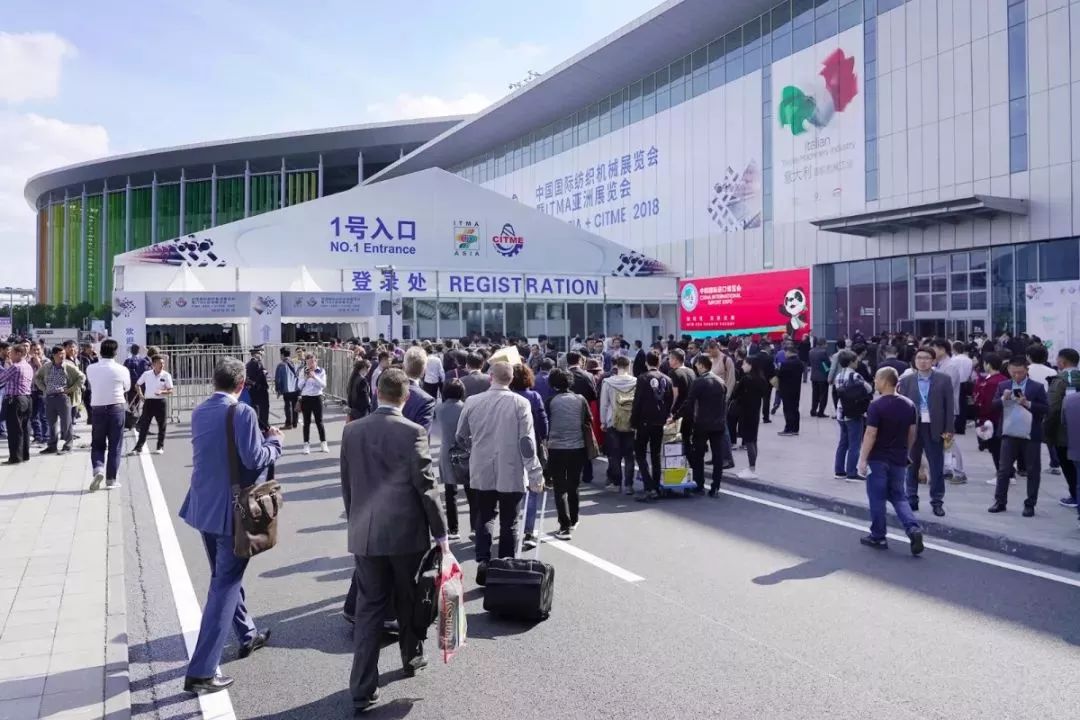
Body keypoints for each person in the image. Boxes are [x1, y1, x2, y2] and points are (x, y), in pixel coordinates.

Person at [340, 368, 448, 712]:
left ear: (377, 392)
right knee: (408, 598)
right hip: (406, 533)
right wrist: (441, 533)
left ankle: (362, 688)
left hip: (365, 531)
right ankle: (411, 657)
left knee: (369, 608)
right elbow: (427, 488)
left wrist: (355, 520)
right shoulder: (413, 432)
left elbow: (347, 484)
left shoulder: (352, 431)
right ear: (406, 397)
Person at [180, 358, 281, 695]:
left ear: (214, 381)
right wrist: (275, 443)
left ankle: (247, 634)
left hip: (203, 505)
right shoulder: (242, 412)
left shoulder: (199, 411)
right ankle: (202, 671)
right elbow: (254, 458)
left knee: (223, 575)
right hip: (232, 510)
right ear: (241, 384)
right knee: (225, 584)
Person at [455, 361, 544, 581]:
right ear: (511, 379)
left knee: (485, 516)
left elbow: (460, 436)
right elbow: (526, 442)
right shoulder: (520, 403)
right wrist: (535, 474)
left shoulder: (472, 401)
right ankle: (504, 565)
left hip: (482, 467)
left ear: (490, 377)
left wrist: (474, 446)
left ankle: (483, 561)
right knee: (510, 521)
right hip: (512, 469)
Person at [856, 367, 924, 554]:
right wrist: (906, 451)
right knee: (899, 495)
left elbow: (871, 433)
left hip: (878, 458)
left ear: (885, 381)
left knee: (877, 497)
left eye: (877, 380)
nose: (875, 383)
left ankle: (878, 536)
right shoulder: (909, 404)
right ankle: (913, 528)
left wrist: (862, 459)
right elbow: (912, 433)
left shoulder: (876, 406)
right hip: (898, 458)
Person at [988, 356, 1050, 516]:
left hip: (1030, 434)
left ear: (1026, 370)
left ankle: (1030, 504)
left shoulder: (1036, 387)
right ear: (1008, 370)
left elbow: (1045, 408)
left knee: (1032, 470)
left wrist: (1027, 403)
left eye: (1020, 372)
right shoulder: (1003, 385)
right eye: (1013, 372)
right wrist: (1003, 399)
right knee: (1004, 469)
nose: (1016, 376)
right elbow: (993, 405)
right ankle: (1000, 501)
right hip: (1009, 432)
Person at [898, 347, 955, 516]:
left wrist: (949, 429)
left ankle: (937, 501)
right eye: (919, 358)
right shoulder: (906, 381)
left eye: (926, 358)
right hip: (913, 428)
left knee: (936, 466)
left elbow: (949, 406)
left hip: (935, 427)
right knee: (911, 464)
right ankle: (911, 499)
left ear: (933, 361)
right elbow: (902, 406)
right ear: (915, 361)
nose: (922, 361)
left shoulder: (943, 380)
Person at [545, 369, 590, 540]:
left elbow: (546, 423)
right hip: (577, 446)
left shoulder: (551, 401)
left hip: (556, 448)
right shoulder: (580, 399)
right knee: (574, 485)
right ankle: (574, 518)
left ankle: (564, 525)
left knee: (559, 487)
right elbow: (588, 420)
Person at [510, 364, 549, 549]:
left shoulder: (508, 397)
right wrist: (544, 439)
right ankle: (528, 531)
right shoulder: (534, 396)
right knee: (532, 487)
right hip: (531, 444)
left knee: (510, 488)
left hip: (510, 445)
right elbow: (542, 421)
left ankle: (510, 526)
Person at [85, 339, 130, 490]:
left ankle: (98, 468)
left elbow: (92, 383)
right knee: (115, 445)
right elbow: (127, 387)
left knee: (97, 443)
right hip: (116, 407)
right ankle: (111, 479)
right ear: (115, 352)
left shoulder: (91, 368)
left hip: (97, 408)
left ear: (100, 351)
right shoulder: (122, 369)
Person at [681, 355, 729, 496]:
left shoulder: (699, 382)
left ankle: (699, 484)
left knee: (698, 455)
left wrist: (676, 416)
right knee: (717, 456)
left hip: (702, 423)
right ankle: (715, 487)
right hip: (718, 424)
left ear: (701, 365)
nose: (695, 367)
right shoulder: (721, 382)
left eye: (696, 365)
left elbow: (689, 403)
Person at [631, 350, 674, 503]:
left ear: (646, 363)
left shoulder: (642, 378)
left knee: (640, 453)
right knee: (656, 454)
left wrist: (633, 421)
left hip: (644, 420)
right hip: (659, 421)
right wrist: (666, 415)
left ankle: (649, 486)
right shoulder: (667, 379)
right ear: (659, 361)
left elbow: (637, 401)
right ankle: (656, 486)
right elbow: (670, 400)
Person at [1045, 348, 1080, 508]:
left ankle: (1075, 495)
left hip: (1064, 431)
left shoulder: (1059, 381)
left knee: (1067, 464)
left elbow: (1053, 408)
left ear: (1063, 362)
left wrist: (1047, 432)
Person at [435, 378, 470, 540]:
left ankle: (453, 529)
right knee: (471, 491)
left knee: (450, 492)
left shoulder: (439, 409)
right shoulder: (466, 408)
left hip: (446, 451)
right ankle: (474, 527)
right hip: (465, 450)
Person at [34, 345, 84, 455]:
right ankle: (52, 446)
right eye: (60, 354)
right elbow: (37, 377)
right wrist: (44, 388)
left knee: (66, 423)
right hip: (49, 398)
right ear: (54, 355)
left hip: (63, 398)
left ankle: (68, 446)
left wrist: (70, 389)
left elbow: (81, 377)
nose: (62, 356)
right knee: (51, 423)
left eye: (63, 354)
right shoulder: (47, 366)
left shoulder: (68, 366)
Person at [832, 350, 873, 481]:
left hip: (841, 411)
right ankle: (851, 472)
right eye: (856, 361)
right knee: (854, 444)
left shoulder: (838, 376)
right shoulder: (855, 376)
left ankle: (839, 471)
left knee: (843, 442)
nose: (857, 362)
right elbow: (869, 389)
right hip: (854, 412)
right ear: (851, 362)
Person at [599, 355, 637, 494]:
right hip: (630, 422)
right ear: (628, 366)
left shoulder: (608, 382)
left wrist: (603, 421)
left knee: (615, 455)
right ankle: (629, 485)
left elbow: (604, 404)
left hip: (613, 421)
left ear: (616, 366)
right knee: (629, 455)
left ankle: (616, 483)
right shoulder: (635, 382)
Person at [728, 354, 768, 480]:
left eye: (745, 363)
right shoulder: (761, 379)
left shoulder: (746, 379)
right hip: (755, 411)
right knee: (753, 440)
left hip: (745, 412)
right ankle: (753, 467)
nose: (742, 366)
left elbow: (735, 393)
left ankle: (751, 468)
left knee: (749, 440)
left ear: (751, 365)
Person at [974, 353, 1009, 478]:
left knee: (996, 448)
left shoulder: (991, 382)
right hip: (1003, 417)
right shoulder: (1004, 379)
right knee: (1001, 448)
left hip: (992, 418)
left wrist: (981, 417)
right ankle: (1007, 473)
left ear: (988, 364)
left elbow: (987, 403)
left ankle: (1003, 474)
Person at [131, 354, 174, 455]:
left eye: (163, 363)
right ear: (154, 364)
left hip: (161, 402)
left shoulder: (166, 375)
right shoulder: (147, 374)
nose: (162, 365)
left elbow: (171, 390)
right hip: (149, 402)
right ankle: (138, 447)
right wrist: (141, 395)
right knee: (144, 425)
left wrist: (162, 392)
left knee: (162, 425)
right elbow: (137, 385)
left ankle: (160, 446)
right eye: (160, 363)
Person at [0, 344, 34, 464]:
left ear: (19, 354)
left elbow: (2, 378)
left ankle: (15, 457)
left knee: (14, 430)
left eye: (12, 353)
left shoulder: (16, 367)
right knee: (24, 429)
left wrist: (7, 366)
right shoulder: (28, 366)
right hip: (27, 399)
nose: (10, 356)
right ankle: (24, 455)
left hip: (15, 400)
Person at [297, 352, 328, 454]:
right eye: (308, 363)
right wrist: (306, 378)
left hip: (317, 397)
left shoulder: (321, 371)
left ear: (316, 361)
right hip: (306, 398)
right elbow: (299, 386)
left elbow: (323, 385)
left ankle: (323, 443)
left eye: (312, 362)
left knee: (319, 421)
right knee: (306, 422)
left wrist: (315, 377)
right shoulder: (303, 371)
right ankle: (306, 444)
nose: (310, 365)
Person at [402, 347, 436, 430]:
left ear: (403, 366)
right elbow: (423, 433)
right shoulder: (426, 400)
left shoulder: (384, 390)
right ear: (424, 371)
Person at [776, 342, 805, 437]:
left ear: (789, 352)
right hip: (796, 389)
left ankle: (788, 428)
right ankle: (795, 429)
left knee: (787, 409)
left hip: (786, 389)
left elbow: (779, 375)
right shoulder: (799, 363)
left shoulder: (786, 364)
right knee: (795, 409)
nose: (785, 354)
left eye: (785, 352)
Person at [244, 348, 271, 432]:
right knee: (263, 408)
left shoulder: (249, 364)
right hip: (260, 389)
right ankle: (264, 426)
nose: (262, 355)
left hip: (254, 390)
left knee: (256, 407)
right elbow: (258, 377)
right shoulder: (256, 363)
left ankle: (260, 425)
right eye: (260, 353)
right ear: (256, 354)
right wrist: (263, 373)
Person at [274, 348, 300, 430]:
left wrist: (278, 389)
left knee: (288, 406)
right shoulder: (296, 363)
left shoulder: (281, 365)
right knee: (295, 405)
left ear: (282, 355)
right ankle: (295, 423)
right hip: (296, 388)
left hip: (286, 389)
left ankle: (288, 423)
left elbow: (278, 379)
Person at [808, 338, 831, 417]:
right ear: (823, 344)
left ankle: (813, 410)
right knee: (823, 395)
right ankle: (821, 412)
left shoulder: (811, 351)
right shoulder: (823, 352)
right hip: (823, 377)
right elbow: (827, 364)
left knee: (815, 394)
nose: (827, 345)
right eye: (826, 344)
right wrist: (828, 372)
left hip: (814, 376)